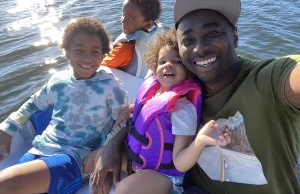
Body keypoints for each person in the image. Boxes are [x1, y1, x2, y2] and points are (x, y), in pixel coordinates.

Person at [173, 0, 300, 194]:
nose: (200, 48)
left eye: (212, 33)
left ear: (235, 37)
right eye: (188, 40)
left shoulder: (266, 80)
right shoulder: (184, 89)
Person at [86, 29, 231, 194]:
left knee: (125, 190)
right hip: (138, 161)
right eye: (162, 62)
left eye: (177, 61)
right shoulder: (154, 91)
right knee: (95, 160)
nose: (168, 65)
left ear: (188, 70)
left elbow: (180, 162)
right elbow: (147, 111)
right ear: (155, 67)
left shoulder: (183, 110)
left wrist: (200, 141)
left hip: (163, 176)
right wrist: (130, 110)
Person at [0, 17, 128, 194]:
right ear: (66, 52)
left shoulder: (110, 88)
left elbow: (123, 121)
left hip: (74, 158)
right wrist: (8, 128)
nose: (87, 58)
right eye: (79, 50)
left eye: (95, 52)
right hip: (41, 147)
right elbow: (32, 104)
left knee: (6, 183)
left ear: (103, 55)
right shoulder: (58, 81)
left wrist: (102, 150)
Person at [101, 0, 163, 78]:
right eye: (123, 14)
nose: (123, 20)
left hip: (127, 88)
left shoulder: (125, 47)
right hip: (142, 81)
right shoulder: (155, 30)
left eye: (131, 18)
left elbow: (101, 67)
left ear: (148, 24)